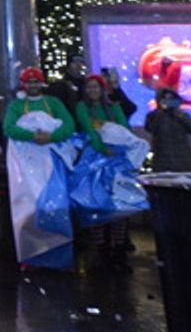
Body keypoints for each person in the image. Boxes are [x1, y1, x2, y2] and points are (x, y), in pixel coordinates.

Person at [3, 66, 77, 269]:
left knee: (56, 207)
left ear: (41, 83)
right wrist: (33, 136)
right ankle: (30, 257)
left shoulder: (54, 103)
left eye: (36, 81)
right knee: (28, 209)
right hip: (26, 168)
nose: (33, 85)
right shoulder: (16, 105)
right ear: (23, 84)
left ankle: (59, 258)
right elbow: (9, 128)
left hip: (51, 165)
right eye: (29, 82)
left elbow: (69, 125)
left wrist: (51, 137)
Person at [73, 75, 133, 271]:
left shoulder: (114, 107)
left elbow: (125, 128)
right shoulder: (83, 107)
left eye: (96, 86)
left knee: (119, 206)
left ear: (102, 89)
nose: (93, 90)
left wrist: (118, 147)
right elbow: (89, 130)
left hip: (116, 158)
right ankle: (102, 251)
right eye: (89, 87)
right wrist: (101, 147)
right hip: (94, 160)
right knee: (96, 205)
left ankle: (119, 251)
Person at [145, 87, 191, 171]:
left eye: (172, 100)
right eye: (165, 99)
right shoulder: (154, 116)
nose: (169, 102)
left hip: (183, 159)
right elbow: (149, 128)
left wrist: (180, 116)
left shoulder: (182, 116)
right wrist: (160, 111)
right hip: (162, 160)